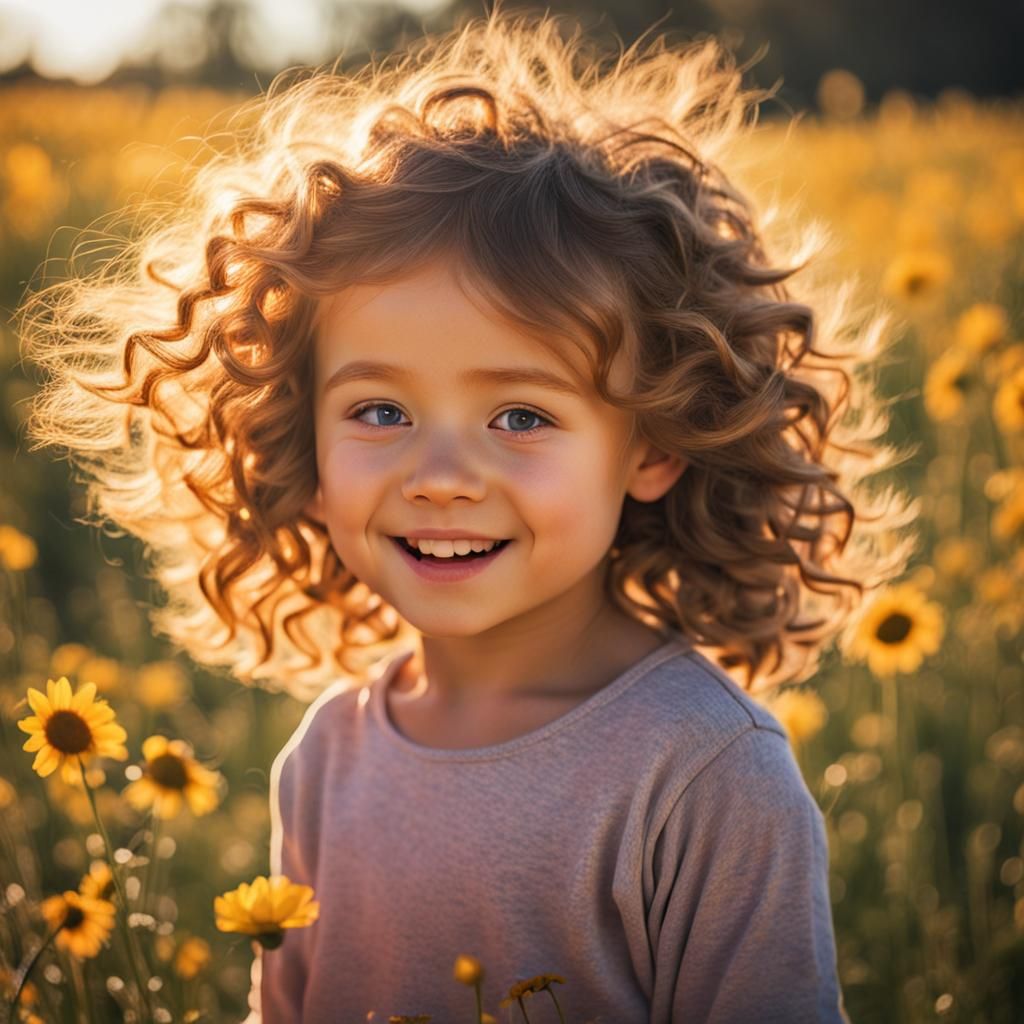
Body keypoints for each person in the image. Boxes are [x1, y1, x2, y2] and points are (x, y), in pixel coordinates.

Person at [19, 4, 918, 1021]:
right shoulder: (324, 759)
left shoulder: (705, 774)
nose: (440, 474)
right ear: (301, 444)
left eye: (521, 414)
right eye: (381, 410)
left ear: (654, 443)